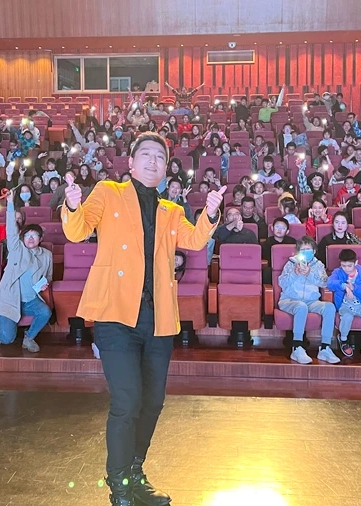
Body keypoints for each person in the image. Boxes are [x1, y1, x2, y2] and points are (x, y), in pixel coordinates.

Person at [60, 131, 224, 506]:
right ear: (131, 163)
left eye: (160, 157)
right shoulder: (108, 192)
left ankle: (135, 472)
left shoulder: (172, 211)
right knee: (127, 400)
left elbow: (195, 240)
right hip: (116, 315)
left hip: (158, 318)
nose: (153, 161)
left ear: (166, 169)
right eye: (146, 154)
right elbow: (77, 230)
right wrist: (71, 205)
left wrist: (211, 213)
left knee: (152, 401)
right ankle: (118, 484)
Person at [0, 190, 53, 352]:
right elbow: (11, 230)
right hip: (10, 298)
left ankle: (29, 337)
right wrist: (10, 203)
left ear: (40, 238)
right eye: (27, 235)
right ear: (22, 238)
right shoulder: (17, 249)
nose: (30, 238)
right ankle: (3, 335)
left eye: (35, 235)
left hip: (30, 300)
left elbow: (48, 275)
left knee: (45, 312)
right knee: (7, 339)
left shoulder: (47, 255)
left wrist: (45, 284)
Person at [278, 237, 339, 365]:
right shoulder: (291, 263)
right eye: (303, 250)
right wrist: (295, 273)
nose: (305, 252)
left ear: (314, 251)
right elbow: (282, 283)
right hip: (289, 300)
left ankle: (325, 348)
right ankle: (297, 347)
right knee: (301, 306)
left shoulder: (318, 265)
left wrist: (309, 274)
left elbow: (324, 283)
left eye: (308, 249)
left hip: (311, 301)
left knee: (329, 307)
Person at [327, 248, 361, 359]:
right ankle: (343, 339)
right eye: (343, 266)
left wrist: (354, 288)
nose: (346, 269)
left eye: (349, 266)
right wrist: (344, 286)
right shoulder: (338, 272)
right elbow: (330, 283)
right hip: (345, 305)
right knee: (347, 318)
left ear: (356, 263)